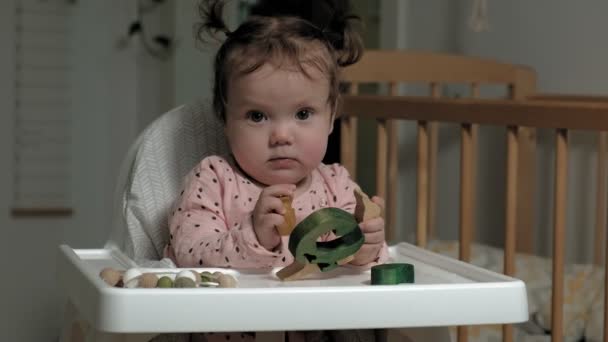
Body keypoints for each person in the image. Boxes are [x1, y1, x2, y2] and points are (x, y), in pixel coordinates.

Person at [162, 0, 388, 340]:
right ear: (225, 119)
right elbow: (189, 255)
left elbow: (354, 268)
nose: (281, 136)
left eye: (302, 114)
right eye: (257, 116)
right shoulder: (213, 180)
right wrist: (251, 235)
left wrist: (366, 249)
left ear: (331, 116)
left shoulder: (336, 186)